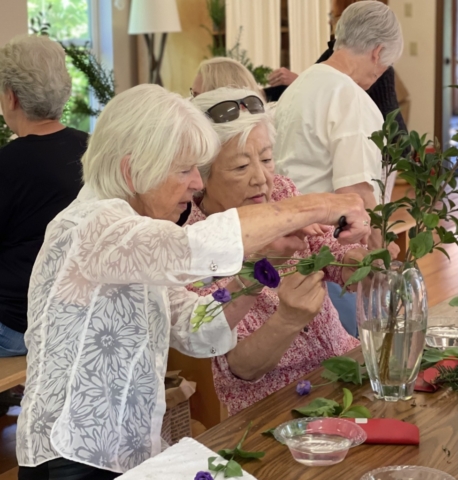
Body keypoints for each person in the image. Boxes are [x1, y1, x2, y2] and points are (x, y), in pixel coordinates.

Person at [16, 84, 370, 480]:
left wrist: (258, 268)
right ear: (132, 170)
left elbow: (196, 327)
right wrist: (320, 205)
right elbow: (195, 247)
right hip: (71, 457)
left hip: (125, 452)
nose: (197, 184)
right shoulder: (91, 226)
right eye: (184, 169)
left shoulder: (137, 238)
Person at [187, 87, 368, 415]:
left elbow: (329, 251)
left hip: (346, 368)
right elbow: (240, 369)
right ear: (202, 177)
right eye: (241, 167)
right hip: (275, 408)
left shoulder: (281, 191)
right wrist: (287, 320)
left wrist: (356, 262)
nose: (261, 179)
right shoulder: (192, 246)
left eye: (267, 159)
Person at [273, 1, 403, 335]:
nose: (375, 80)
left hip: (288, 249)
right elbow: (355, 195)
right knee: (358, 356)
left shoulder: (299, 87)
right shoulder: (350, 98)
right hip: (335, 261)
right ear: (377, 53)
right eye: (382, 69)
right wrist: (380, 251)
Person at [0, 35, 87, 359]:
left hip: (17, 329)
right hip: (78, 319)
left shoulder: (7, 165)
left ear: (11, 97)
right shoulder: (94, 151)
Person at [268, 0, 407, 134]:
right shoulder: (338, 70)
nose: (330, 21)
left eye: (333, 15)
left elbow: (396, 133)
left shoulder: (358, 78)